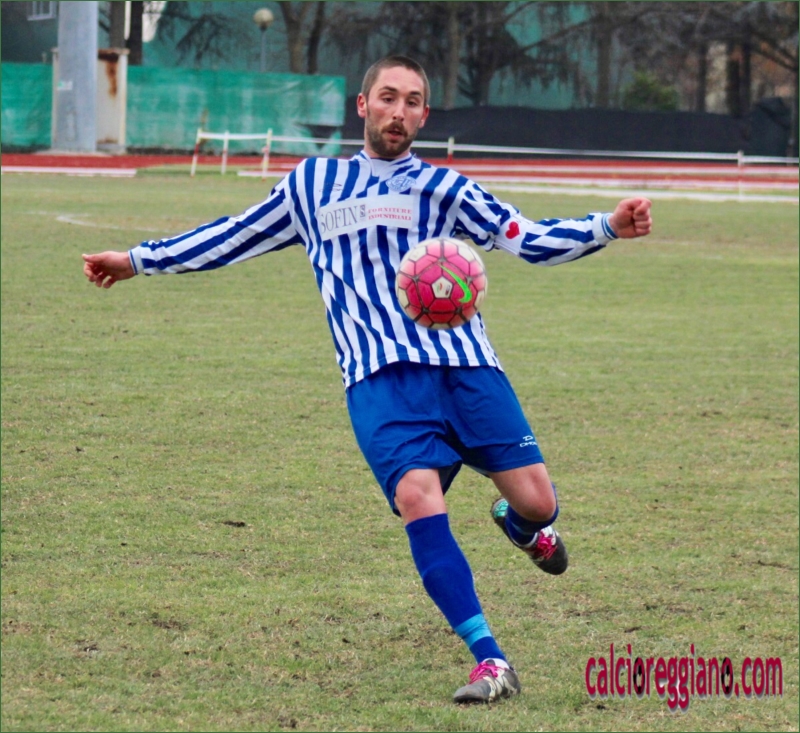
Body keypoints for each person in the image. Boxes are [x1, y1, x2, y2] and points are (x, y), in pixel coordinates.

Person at [83, 55, 652, 704]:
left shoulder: (446, 188)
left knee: (538, 502)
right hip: (379, 379)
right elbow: (234, 236)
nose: (398, 111)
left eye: (411, 101)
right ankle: (490, 660)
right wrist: (137, 260)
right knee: (418, 497)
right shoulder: (312, 185)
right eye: (387, 97)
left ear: (424, 115)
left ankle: (524, 527)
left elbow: (526, 237)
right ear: (363, 105)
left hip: (466, 368)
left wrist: (607, 226)